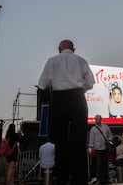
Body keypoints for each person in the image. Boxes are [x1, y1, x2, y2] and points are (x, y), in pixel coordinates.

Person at [38, 39, 95, 185]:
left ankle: (62, 179)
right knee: (79, 142)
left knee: (60, 142)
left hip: (59, 100)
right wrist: (79, 88)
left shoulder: (52, 61)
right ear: (73, 49)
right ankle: (80, 180)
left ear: (59, 49)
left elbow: (43, 84)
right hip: (78, 98)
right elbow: (90, 82)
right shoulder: (81, 60)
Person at [89, 114, 113, 185]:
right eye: (95, 119)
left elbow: (110, 136)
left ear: (101, 119)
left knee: (105, 165)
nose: (97, 120)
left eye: (98, 119)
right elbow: (91, 139)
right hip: (97, 149)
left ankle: (106, 179)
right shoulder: (93, 129)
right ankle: (99, 179)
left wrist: (109, 140)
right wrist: (92, 147)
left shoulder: (106, 127)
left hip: (105, 148)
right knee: (98, 165)